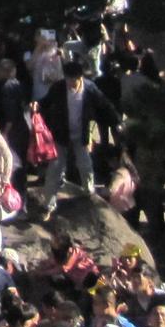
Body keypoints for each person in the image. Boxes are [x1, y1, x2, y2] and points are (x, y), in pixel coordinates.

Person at [37, 62, 118, 217]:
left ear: (81, 77)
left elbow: (105, 105)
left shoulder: (89, 88)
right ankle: (49, 204)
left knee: (85, 164)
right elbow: (46, 102)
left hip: (81, 134)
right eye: (68, 79)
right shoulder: (59, 87)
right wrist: (37, 105)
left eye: (74, 80)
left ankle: (89, 193)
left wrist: (117, 122)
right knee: (55, 168)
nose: (71, 83)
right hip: (61, 134)